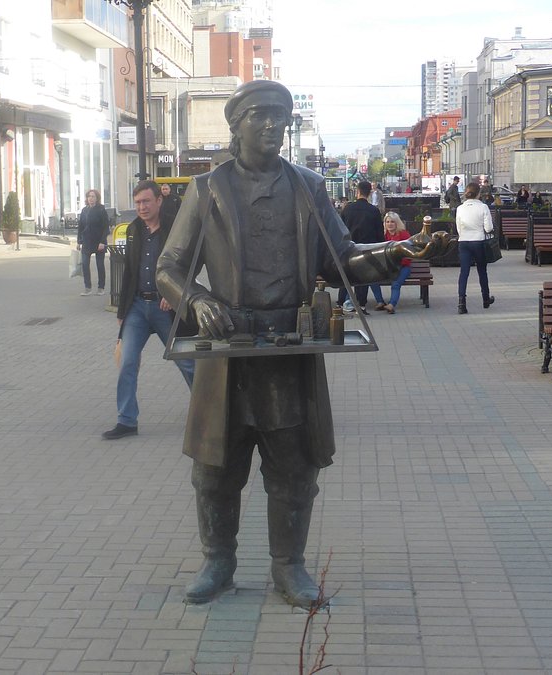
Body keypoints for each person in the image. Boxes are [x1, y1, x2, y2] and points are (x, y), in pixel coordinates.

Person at [156, 80, 446, 608]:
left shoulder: (308, 187)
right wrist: (196, 301)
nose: (272, 127)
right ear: (236, 125)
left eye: (281, 119)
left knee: (294, 467)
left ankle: (288, 566)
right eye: (260, 116)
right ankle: (218, 560)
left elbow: (341, 259)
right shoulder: (208, 189)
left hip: (289, 347)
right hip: (228, 350)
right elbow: (169, 268)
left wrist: (398, 251)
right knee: (215, 470)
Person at [105, 180, 195, 441]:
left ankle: (208, 413)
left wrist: (174, 293)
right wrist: (122, 312)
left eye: (146, 201)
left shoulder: (175, 229)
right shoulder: (133, 230)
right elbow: (129, 272)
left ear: (159, 200)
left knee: (188, 364)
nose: (141, 207)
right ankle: (126, 420)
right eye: (137, 203)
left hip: (166, 308)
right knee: (127, 362)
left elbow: (189, 263)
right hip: (137, 308)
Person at [337, 181, 385, 313]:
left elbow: (340, 229)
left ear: (357, 192)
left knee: (347, 275)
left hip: (349, 248)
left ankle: (341, 303)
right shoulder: (374, 211)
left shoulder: (347, 209)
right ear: (369, 193)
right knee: (363, 277)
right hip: (367, 248)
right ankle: (361, 304)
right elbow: (379, 233)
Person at [454, 182, 495, 314]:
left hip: (464, 242)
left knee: (464, 272)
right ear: (479, 194)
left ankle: (461, 303)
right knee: (482, 271)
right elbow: (488, 228)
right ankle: (485, 298)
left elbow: (458, 227)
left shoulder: (460, 208)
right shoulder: (483, 207)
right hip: (478, 241)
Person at [377, 211, 413, 314]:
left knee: (396, 284)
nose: (389, 224)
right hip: (387, 267)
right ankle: (380, 302)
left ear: (397, 223)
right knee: (372, 281)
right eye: (387, 222)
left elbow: (408, 255)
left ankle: (391, 305)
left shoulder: (404, 235)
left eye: (392, 222)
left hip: (403, 267)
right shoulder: (382, 235)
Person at [77, 189, 110, 296]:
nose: (91, 198)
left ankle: (101, 287)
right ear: (87, 198)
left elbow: (106, 227)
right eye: (89, 196)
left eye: (93, 196)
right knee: (85, 264)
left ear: (97, 198)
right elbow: (80, 226)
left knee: (100, 265)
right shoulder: (84, 210)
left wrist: (102, 242)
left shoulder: (101, 210)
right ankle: (87, 288)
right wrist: (78, 241)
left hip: (99, 241)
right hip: (87, 241)